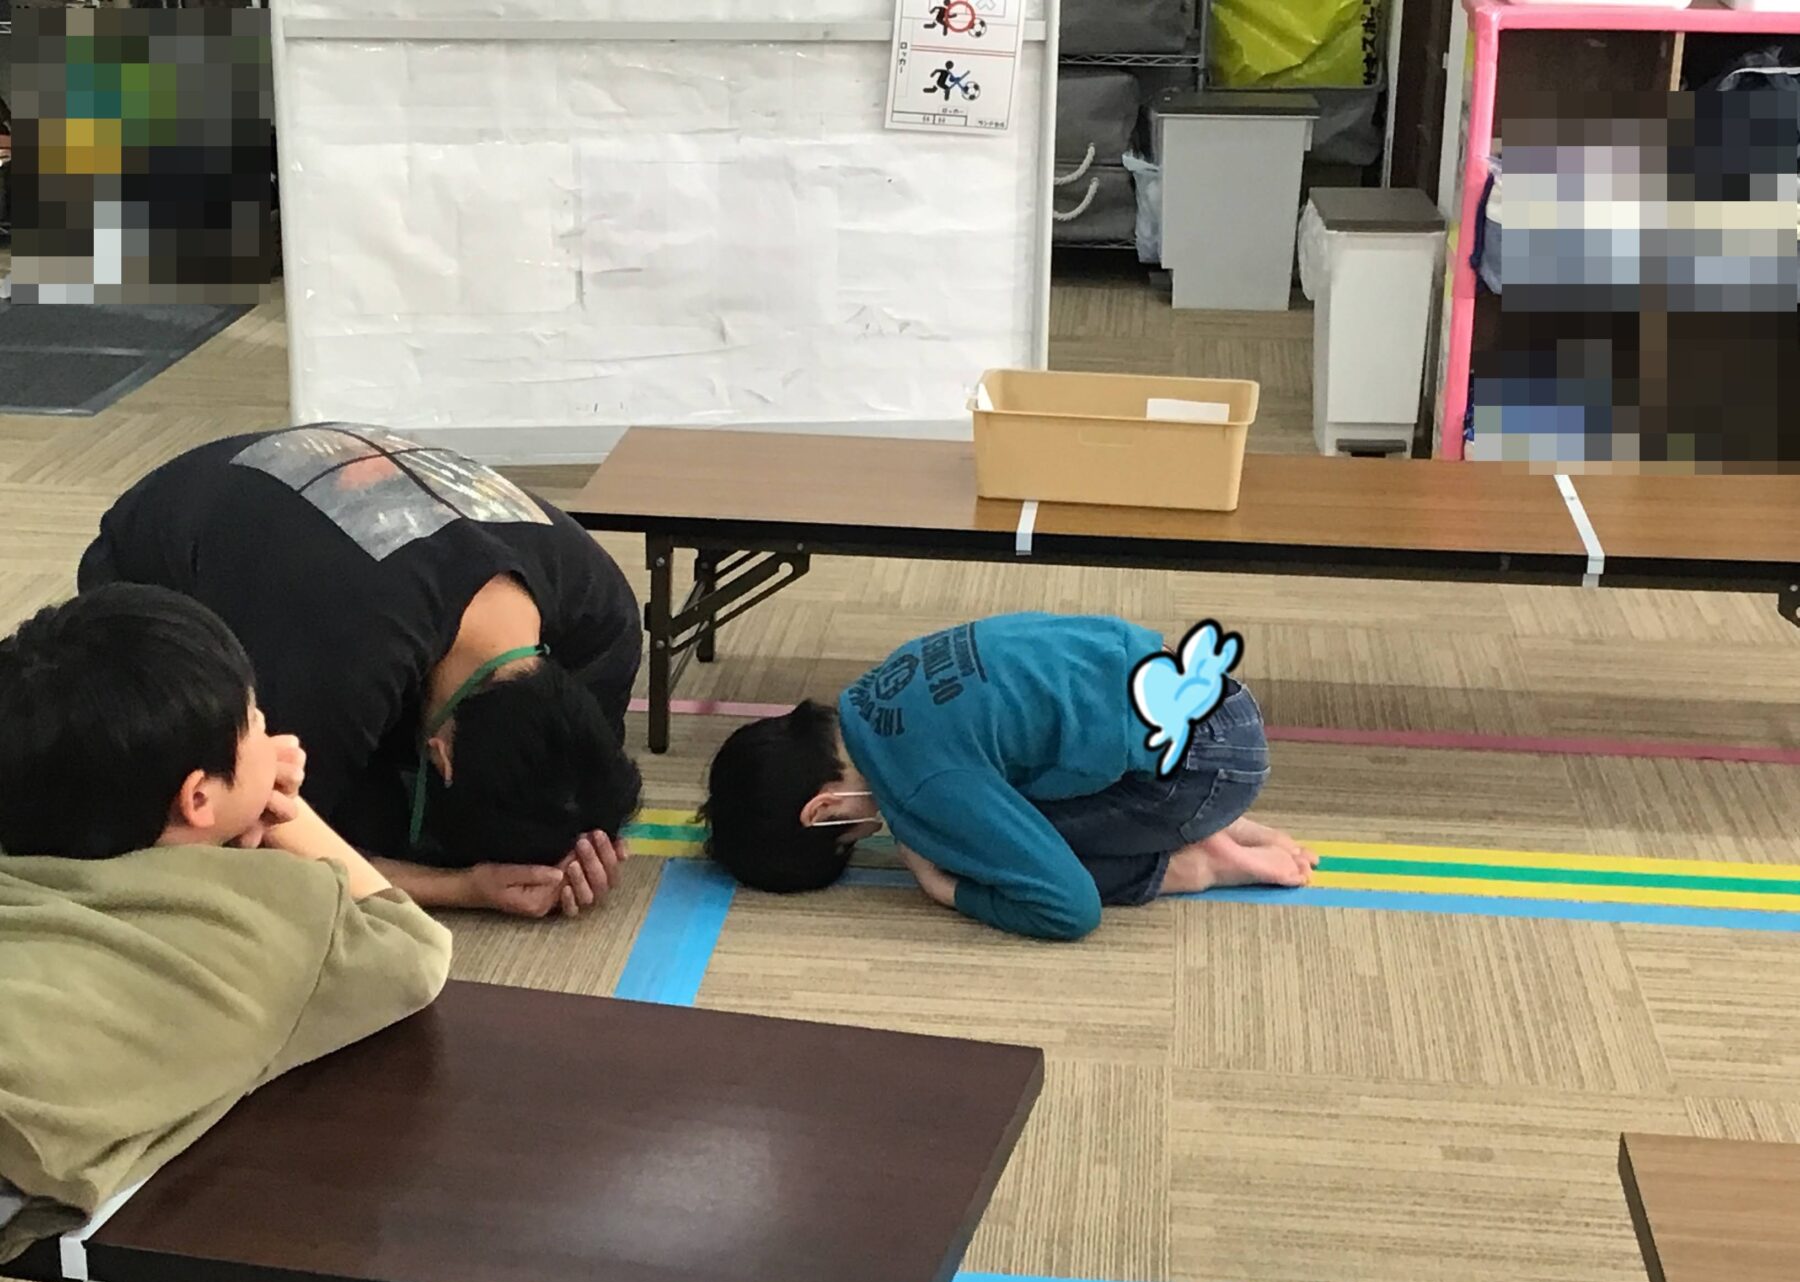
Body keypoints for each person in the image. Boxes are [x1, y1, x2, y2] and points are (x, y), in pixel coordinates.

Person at [0, 584, 452, 1260]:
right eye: (257, 722)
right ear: (196, 797)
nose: (275, 737)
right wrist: (288, 812)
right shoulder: (280, 911)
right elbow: (415, 950)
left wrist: (241, 779)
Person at [77, 423, 645, 919]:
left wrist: (582, 841)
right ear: (440, 757)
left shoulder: (605, 619)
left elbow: (580, 774)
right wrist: (462, 886)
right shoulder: (337, 669)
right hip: (157, 539)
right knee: (280, 806)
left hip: (313, 473)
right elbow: (278, 847)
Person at [701, 611, 1317, 941]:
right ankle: (1208, 819)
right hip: (1211, 700)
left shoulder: (919, 786)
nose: (872, 837)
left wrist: (945, 888)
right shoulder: (881, 681)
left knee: (986, 854)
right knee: (1005, 779)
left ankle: (1200, 862)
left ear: (824, 809)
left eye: (848, 840)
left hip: (1206, 767)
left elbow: (1070, 910)